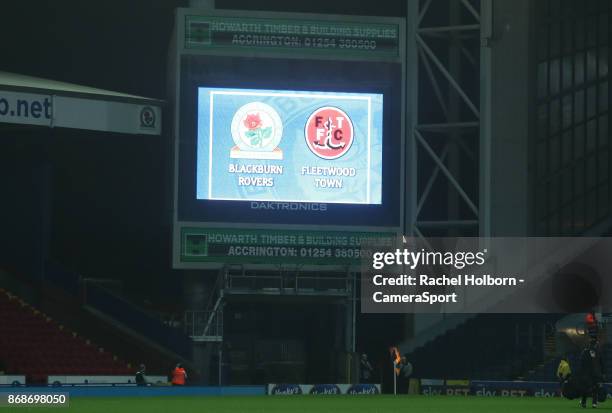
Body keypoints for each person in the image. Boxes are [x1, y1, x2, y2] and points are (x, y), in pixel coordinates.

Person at [578, 338, 605, 409]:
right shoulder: (598, 352)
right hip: (596, 374)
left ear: (590, 344)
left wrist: (581, 373)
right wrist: (603, 373)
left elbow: (581, 363)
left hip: (587, 374)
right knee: (595, 388)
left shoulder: (585, 352)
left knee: (585, 388)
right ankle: (594, 404)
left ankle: (584, 403)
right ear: (595, 344)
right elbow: (602, 363)